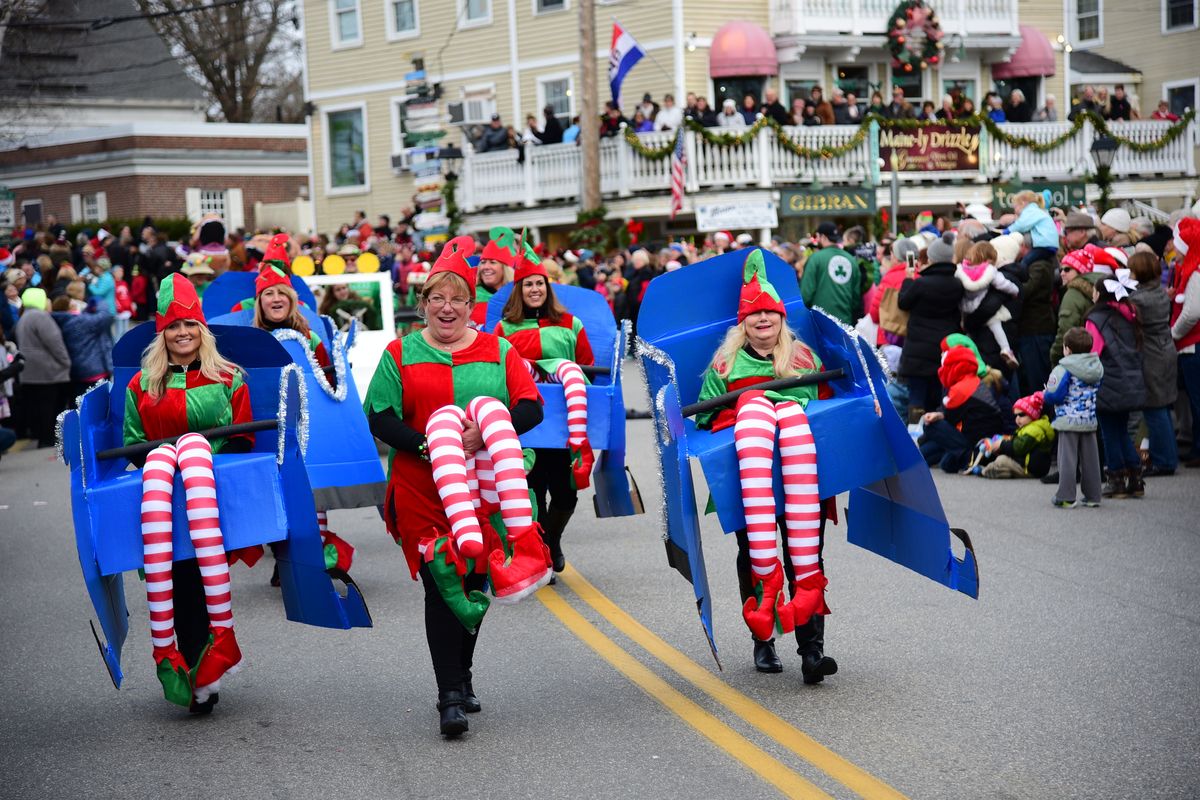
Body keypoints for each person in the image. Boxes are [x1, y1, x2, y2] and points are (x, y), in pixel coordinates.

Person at [363, 236, 550, 738]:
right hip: (422, 487)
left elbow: (531, 406)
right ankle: (449, 691)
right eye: (437, 299)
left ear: (472, 304)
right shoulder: (400, 352)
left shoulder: (499, 350)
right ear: (422, 304)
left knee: (474, 581)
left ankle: (462, 673)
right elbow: (379, 415)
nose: (447, 308)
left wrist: (484, 431)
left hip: (485, 485)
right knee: (440, 583)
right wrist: (431, 444)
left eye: (458, 299)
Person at [693, 250, 835, 683]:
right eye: (755, 317)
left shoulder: (803, 359)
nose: (763, 322)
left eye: (770, 315)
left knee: (806, 553)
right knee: (752, 553)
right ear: (743, 323)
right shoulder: (725, 364)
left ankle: (812, 651)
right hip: (747, 476)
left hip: (801, 476)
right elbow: (705, 422)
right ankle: (764, 639)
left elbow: (829, 410)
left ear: (780, 318)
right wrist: (748, 410)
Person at [123, 273, 256, 712]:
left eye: (190, 325)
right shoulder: (141, 385)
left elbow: (243, 439)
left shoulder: (229, 377)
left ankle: (207, 670)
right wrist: (166, 465)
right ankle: (194, 671)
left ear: (202, 329)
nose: (182, 333)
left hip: (213, 494)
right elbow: (132, 440)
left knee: (204, 578)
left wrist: (203, 460)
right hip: (163, 498)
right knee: (178, 582)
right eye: (173, 327)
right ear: (162, 334)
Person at [494, 240, 595, 574]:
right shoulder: (504, 328)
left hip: (565, 426)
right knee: (533, 495)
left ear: (547, 287)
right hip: (528, 427)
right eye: (528, 284)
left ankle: (551, 542)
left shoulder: (570, 323)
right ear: (518, 290)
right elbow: (498, 375)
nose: (535, 289)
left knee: (566, 497)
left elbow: (587, 367)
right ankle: (539, 555)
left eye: (539, 283)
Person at [1086, 269, 1146, 498]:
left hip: (1107, 382)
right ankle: (1135, 477)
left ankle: (1117, 478)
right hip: (1130, 380)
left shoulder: (1096, 319)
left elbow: (1093, 353)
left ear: (1100, 294)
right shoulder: (1130, 315)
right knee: (1121, 430)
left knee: (1110, 432)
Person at [898, 233, 963, 420]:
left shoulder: (920, 283)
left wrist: (908, 278)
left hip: (918, 351)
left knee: (916, 396)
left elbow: (903, 302)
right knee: (939, 394)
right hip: (944, 349)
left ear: (932, 258)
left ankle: (916, 436)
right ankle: (936, 433)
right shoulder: (957, 284)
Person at [1126, 252, 1178, 476]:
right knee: (1163, 406)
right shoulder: (1160, 292)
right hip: (1166, 349)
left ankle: (1164, 460)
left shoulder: (1138, 299)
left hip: (1150, 354)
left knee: (1154, 407)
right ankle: (1165, 455)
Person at [919, 342, 1007, 473]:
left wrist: (937, 417)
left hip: (976, 440)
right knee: (945, 464)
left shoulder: (961, 388)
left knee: (930, 425)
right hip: (978, 435)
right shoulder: (973, 380)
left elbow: (948, 419)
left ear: (955, 366)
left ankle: (969, 457)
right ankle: (969, 457)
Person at [1044, 327, 1104, 506]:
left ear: (1067, 349)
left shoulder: (1063, 368)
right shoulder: (1096, 367)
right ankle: (1093, 496)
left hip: (1068, 420)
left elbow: (1054, 394)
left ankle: (1066, 496)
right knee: (1091, 460)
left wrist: (1046, 393)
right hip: (1089, 419)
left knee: (1067, 460)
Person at [14, 287, 70, 447]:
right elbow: (55, 343)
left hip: (29, 371)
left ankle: (41, 436)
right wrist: (66, 362)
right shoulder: (41, 317)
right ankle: (47, 439)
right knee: (48, 406)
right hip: (47, 371)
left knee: (36, 405)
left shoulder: (24, 316)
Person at [957, 240, 1022, 369]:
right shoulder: (992, 272)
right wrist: (1015, 291)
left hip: (966, 307)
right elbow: (1003, 286)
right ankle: (1006, 349)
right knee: (995, 324)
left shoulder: (962, 270)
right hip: (984, 317)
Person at [1170, 218, 1200, 468]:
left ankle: (1198, 449)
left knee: (1197, 399)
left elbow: (1192, 312)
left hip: (1193, 344)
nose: (1174, 252)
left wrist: (1174, 333)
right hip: (1191, 344)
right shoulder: (1191, 270)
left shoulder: (1196, 272)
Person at [1051, 245, 1111, 366]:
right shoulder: (1104, 287)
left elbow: (1065, 328)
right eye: (1061, 269)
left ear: (1080, 271)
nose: (1062, 273)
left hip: (1077, 358)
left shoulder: (1073, 294)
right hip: (1102, 356)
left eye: (1067, 269)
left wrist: (1055, 355)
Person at [1014, 234, 1057, 395]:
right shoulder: (1034, 264)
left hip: (1037, 328)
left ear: (1025, 247)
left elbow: (1026, 290)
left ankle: (1043, 413)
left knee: (1037, 376)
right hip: (1033, 327)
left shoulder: (1039, 265)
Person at [976, 392, 1055, 479]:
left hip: (1030, 468)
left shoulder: (1034, 430)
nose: (1017, 419)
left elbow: (1019, 447)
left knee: (1002, 460)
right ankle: (1000, 471)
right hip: (1026, 465)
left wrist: (1002, 444)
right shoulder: (1030, 427)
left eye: (1021, 415)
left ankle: (985, 471)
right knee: (1002, 458)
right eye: (1016, 415)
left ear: (1033, 414)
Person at [800, 222, 861, 326]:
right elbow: (856, 298)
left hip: (820, 323)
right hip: (845, 323)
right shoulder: (851, 260)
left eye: (817, 236)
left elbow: (806, 295)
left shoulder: (815, 258)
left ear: (823, 237)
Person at [470, 226, 517, 328]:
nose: (486, 267)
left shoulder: (516, 294)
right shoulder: (471, 297)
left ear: (504, 268)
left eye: (492, 262)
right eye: (483, 262)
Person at [1007, 189, 1059, 269]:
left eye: (1015, 207)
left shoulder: (1030, 211)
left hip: (1043, 245)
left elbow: (1021, 225)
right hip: (1050, 245)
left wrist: (1008, 230)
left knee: (1024, 263)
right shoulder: (1037, 211)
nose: (1014, 210)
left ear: (1023, 203)